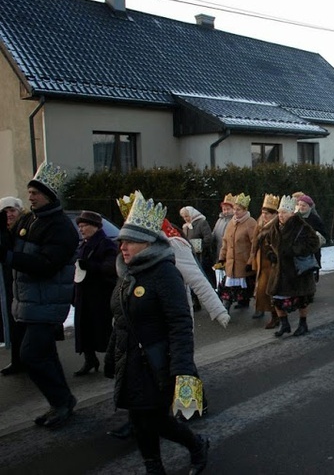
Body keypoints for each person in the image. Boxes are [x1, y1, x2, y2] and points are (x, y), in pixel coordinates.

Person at [104, 191, 209, 475]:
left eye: (129, 241)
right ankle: (154, 467)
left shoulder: (165, 273)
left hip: (157, 362)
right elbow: (121, 318)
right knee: (138, 419)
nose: (122, 246)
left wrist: (183, 367)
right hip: (131, 360)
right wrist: (112, 357)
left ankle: (197, 444)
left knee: (160, 420)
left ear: (149, 243)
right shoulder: (127, 272)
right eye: (121, 241)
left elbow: (180, 323)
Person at [0, 162, 79, 427]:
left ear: (49, 195)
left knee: (32, 355)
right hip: (29, 302)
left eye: (35, 192)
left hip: (47, 302)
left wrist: (9, 256)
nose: (30, 196)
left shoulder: (61, 227)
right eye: (29, 192)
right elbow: (12, 243)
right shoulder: (29, 218)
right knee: (45, 355)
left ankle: (60, 401)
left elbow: (46, 265)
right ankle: (62, 402)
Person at [72, 211, 118, 376]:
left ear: (96, 227)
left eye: (84, 226)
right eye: (80, 226)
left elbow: (111, 267)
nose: (81, 229)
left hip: (100, 294)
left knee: (102, 328)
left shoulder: (106, 244)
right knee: (84, 328)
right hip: (83, 293)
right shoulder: (83, 244)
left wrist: (91, 267)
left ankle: (111, 360)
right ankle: (90, 359)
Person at [267, 195, 319, 337]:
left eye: (283, 212)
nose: (280, 215)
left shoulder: (301, 226)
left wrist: (295, 250)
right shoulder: (275, 226)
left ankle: (303, 324)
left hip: (296, 270)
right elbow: (268, 243)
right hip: (279, 270)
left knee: (302, 299)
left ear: (291, 213)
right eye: (279, 212)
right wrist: (271, 254)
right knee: (276, 298)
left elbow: (314, 242)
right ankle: (284, 324)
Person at [216, 193, 257, 310]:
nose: (235, 212)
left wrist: (250, 262)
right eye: (234, 209)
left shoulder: (250, 223)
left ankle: (255, 307)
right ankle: (226, 308)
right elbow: (225, 241)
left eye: (238, 210)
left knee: (248, 287)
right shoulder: (231, 223)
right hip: (231, 263)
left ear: (245, 210)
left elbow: (255, 244)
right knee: (227, 288)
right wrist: (222, 257)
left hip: (243, 262)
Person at [1, 196, 26, 375]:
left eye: (11, 210)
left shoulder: (24, 229)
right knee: (12, 322)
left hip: (23, 280)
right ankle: (17, 360)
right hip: (7, 282)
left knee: (24, 322)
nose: (9, 214)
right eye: (4, 212)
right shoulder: (5, 230)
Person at [252, 194, 281, 328]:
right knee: (263, 291)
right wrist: (252, 261)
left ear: (274, 214)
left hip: (273, 264)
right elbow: (254, 244)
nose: (264, 216)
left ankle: (278, 316)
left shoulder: (278, 225)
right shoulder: (259, 224)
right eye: (263, 213)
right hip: (262, 263)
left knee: (273, 291)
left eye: (267, 214)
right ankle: (274, 315)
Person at [180, 206, 214, 289]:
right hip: (192, 256)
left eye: (187, 216)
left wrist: (197, 245)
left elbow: (208, 238)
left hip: (203, 256)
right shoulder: (186, 227)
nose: (185, 219)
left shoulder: (202, 223)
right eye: (183, 217)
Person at [296, 194, 327, 282]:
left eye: (304, 205)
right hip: (298, 250)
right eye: (300, 205)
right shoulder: (295, 217)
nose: (301, 207)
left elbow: (323, 234)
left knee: (311, 273)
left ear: (309, 206)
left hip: (312, 251)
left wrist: (314, 238)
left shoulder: (315, 218)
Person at [211, 197, 234, 265]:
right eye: (224, 209)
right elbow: (214, 233)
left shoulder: (234, 221)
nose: (226, 211)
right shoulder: (219, 220)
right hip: (219, 250)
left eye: (228, 209)